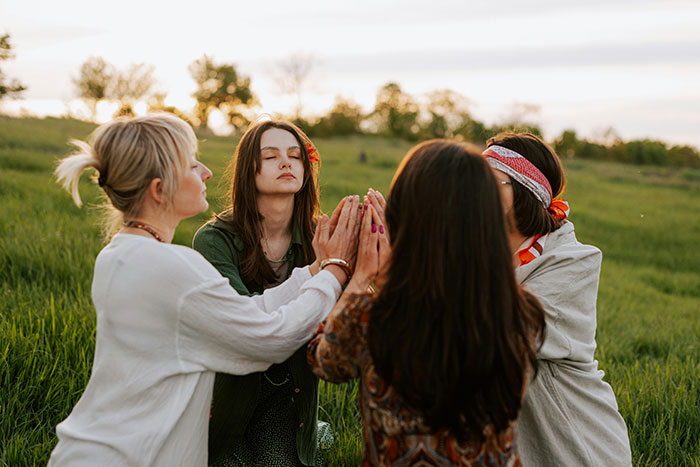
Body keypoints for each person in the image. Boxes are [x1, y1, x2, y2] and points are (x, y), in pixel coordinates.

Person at [47, 113, 363, 467]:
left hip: (92, 449)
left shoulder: (119, 254)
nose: (206, 172)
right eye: (192, 164)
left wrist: (314, 271)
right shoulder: (176, 267)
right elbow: (267, 338)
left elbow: (245, 315)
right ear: (159, 188)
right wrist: (335, 271)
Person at [307, 140, 546, 466]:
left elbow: (325, 361)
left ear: (404, 217)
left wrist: (357, 274)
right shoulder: (522, 312)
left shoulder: (371, 318)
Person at [483, 132, 632, 467]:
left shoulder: (574, 261)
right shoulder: (476, 253)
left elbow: (502, 331)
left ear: (523, 190)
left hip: (574, 448)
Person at [192, 119, 329, 466]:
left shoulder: (322, 237)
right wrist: (318, 273)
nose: (286, 162)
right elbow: (242, 320)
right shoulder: (214, 239)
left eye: (295, 156)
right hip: (228, 391)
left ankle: (316, 432)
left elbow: (354, 314)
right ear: (248, 170)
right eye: (271, 157)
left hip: (288, 394)